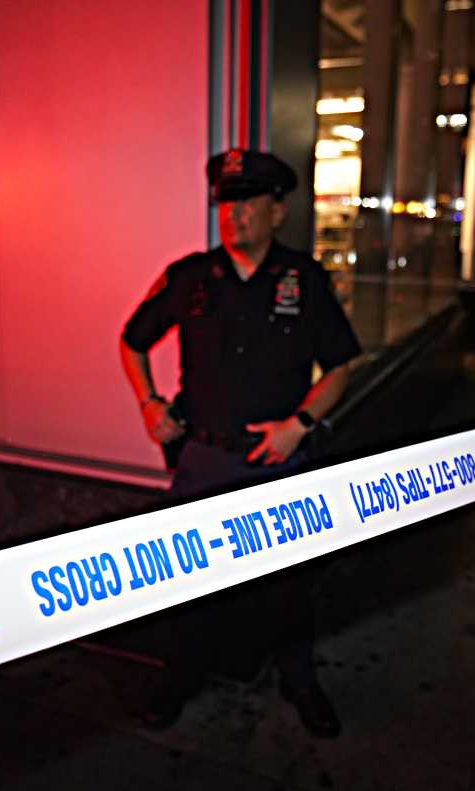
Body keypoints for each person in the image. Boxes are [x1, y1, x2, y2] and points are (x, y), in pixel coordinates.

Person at [118, 148, 362, 737]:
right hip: (205, 459)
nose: (235, 214)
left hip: (279, 459)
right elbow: (132, 341)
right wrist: (150, 403)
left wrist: (300, 424)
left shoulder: (304, 280)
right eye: (227, 203)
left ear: (278, 211)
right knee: (187, 579)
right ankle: (179, 678)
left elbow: (340, 366)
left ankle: (299, 680)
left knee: (290, 585)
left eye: (249, 202)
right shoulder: (190, 277)